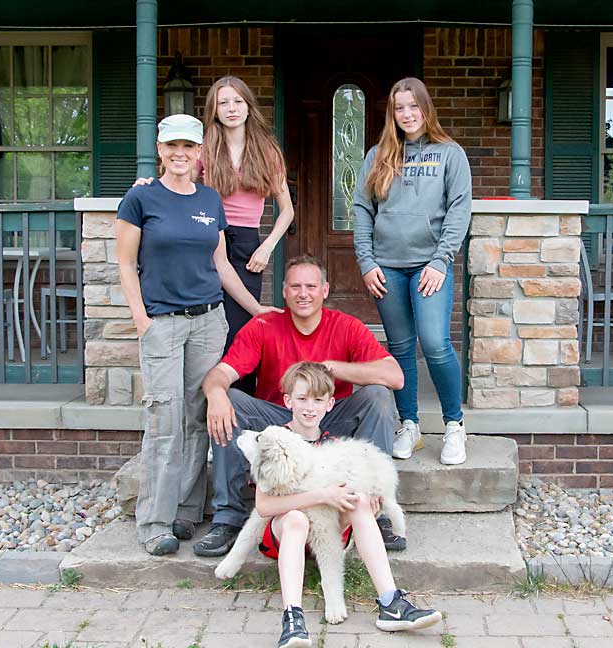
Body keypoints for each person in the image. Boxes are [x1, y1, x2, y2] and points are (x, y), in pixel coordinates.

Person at [115, 113, 279, 556]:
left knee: (198, 416)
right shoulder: (140, 199)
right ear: (161, 150)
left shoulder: (209, 198)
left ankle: (187, 511)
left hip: (209, 322)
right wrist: (141, 320)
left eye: (189, 147)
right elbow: (126, 264)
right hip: (163, 323)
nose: (181, 154)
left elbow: (221, 265)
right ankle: (154, 521)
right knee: (165, 422)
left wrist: (256, 308)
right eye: (173, 147)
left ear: (199, 153)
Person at [193, 254, 408, 557]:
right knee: (230, 400)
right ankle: (228, 518)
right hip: (282, 425)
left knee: (378, 395)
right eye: (295, 287)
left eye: (310, 286)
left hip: (331, 418)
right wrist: (215, 395)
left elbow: (394, 376)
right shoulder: (264, 326)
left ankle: (377, 508)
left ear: (325, 290)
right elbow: (221, 374)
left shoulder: (347, 326)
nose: (303, 294)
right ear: (284, 292)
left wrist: (334, 368)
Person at [260, 362, 442, 648]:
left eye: (318, 400)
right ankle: (293, 619)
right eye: (303, 399)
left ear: (330, 404)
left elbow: (347, 491)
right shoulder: (275, 439)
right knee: (296, 518)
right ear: (287, 401)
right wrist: (320, 496)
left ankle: (391, 602)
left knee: (359, 504)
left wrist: (369, 498)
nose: (310, 407)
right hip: (286, 532)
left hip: (331, 530)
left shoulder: (334, 444)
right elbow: (264, 506)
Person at [137, 76, 294, 395]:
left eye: (237, 101)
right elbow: (179, 182)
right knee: (211, 336)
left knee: (242, 333)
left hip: (249, 246)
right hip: (208, 237)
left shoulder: (267, 150)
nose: (231, 108)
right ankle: (210, 415)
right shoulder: (205, 148)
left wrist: (267, 246)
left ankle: (241, 411)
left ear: (249, 107)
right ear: (214, 110)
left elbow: (287, 210)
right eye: (223, 102)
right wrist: (148, 186)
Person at [353, 77, 473, 466]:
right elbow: (361, 210)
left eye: (413, 106)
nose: (406, 114)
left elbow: (459, 209)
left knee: (435, 343)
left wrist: (441, 260)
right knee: (401, 346)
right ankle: (410, 425)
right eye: (399, 108)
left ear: (426, 108)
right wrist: (366, 261)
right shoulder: (378, 155)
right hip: (387, 266)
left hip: (429, 265)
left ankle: (454, 426)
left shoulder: (449, 153)